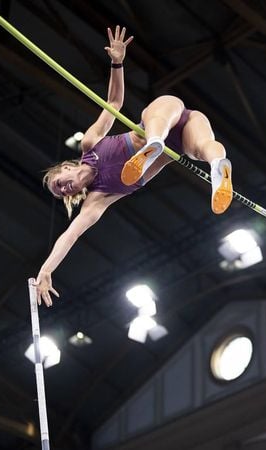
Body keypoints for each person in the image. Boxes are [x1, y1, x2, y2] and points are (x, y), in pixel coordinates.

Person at [35, 26, 233, 306]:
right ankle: (219, 168)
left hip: (165, 114)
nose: (65, 189)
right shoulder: (97, 199)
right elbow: (70, 235)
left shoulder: (89, 146)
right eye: (64, 194)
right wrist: (46, 270)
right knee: (202, 149)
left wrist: (117, 62)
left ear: (66, 167)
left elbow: (114, 102)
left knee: (154, 125)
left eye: (59, 183)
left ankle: (153, 146)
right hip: (183, 137)